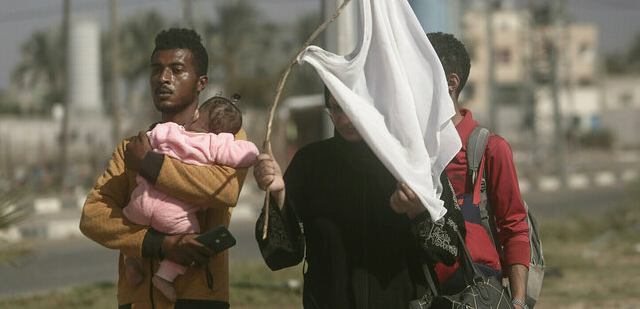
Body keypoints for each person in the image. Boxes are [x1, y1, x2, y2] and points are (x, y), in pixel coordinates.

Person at [80, 28, 249, 309]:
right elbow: (93, 217)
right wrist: (159, 245)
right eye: (156, 70)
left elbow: (224, 188)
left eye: (176, 69)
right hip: (136, 302)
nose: (163, 78)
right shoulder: (132, 148)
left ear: (201, 82)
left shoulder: (225, 138)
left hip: (197, 299)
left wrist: (150, 164)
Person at [253, 88, 464, 308]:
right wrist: (278, 195)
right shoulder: (311, 163)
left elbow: (450, 250)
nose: (344, 119)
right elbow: (281, 256)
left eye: (352, 106)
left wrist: (418, 212)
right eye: (336, 108)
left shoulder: (415, 162)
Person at [427, 32, 530, 309]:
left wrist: (518, 303)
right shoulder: (410, 151)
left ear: (451, 82)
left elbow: (514, 228)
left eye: (420, 72)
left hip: (477, 296)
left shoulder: (489, 149)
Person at [122, 96, 259, 302]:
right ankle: (164, 277)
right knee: (191, 239)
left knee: (127, 227)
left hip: (141, 201)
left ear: (195, 115)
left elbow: (145, 141)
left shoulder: (169, 130)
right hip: (173, 215)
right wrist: (246, 146)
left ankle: (130, 259)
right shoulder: (216, 143)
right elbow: (247, 154)